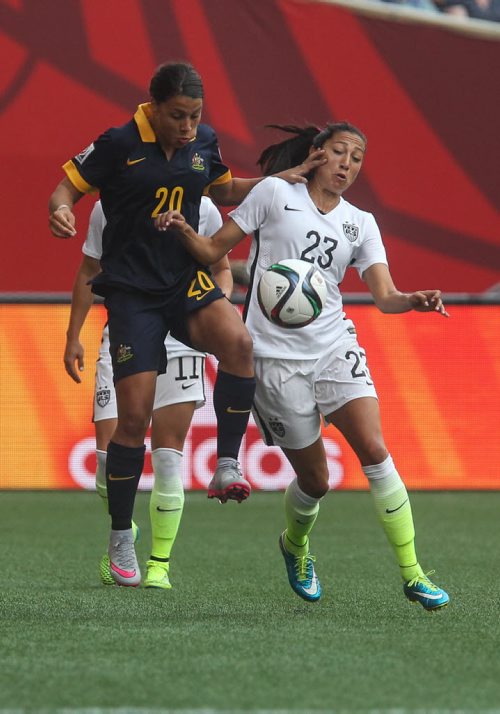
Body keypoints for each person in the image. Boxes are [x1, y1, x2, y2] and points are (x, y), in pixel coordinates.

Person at [48, 61, 324, 587]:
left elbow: (220, 190)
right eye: (179, 116)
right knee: (132, 422)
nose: (189, 126)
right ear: (154, 108)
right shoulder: (117, 143)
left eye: (196, 116)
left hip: (183, 280)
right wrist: (58, 210)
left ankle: (226, 463)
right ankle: (120, 537)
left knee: (238, 343)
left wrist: (275, 180)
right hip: (132, 294)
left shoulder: (205, 143)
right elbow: (64, 190)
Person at [158, 121, 450, 611]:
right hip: (273, 363)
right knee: (316, 482)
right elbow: (213, 251)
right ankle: (294, 545)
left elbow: (385, 297)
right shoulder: (274, 193)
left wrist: (412, 300)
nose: (346, 165)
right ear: (317, 154)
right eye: (339, 152)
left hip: (333, 347)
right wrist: (186, 230)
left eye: (356, 159)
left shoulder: (361, 223)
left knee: (375, 451)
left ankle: (414, 574)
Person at [64, 196, 230, 590]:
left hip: (181, 337)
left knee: (169, 455)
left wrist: (212, 309)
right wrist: (73, 337)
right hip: (126, 330)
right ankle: (126, 526)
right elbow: (90, 269)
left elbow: (221, 267)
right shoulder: (110, 205)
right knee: (107, 459)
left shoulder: (203, 207)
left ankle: (159, 565)